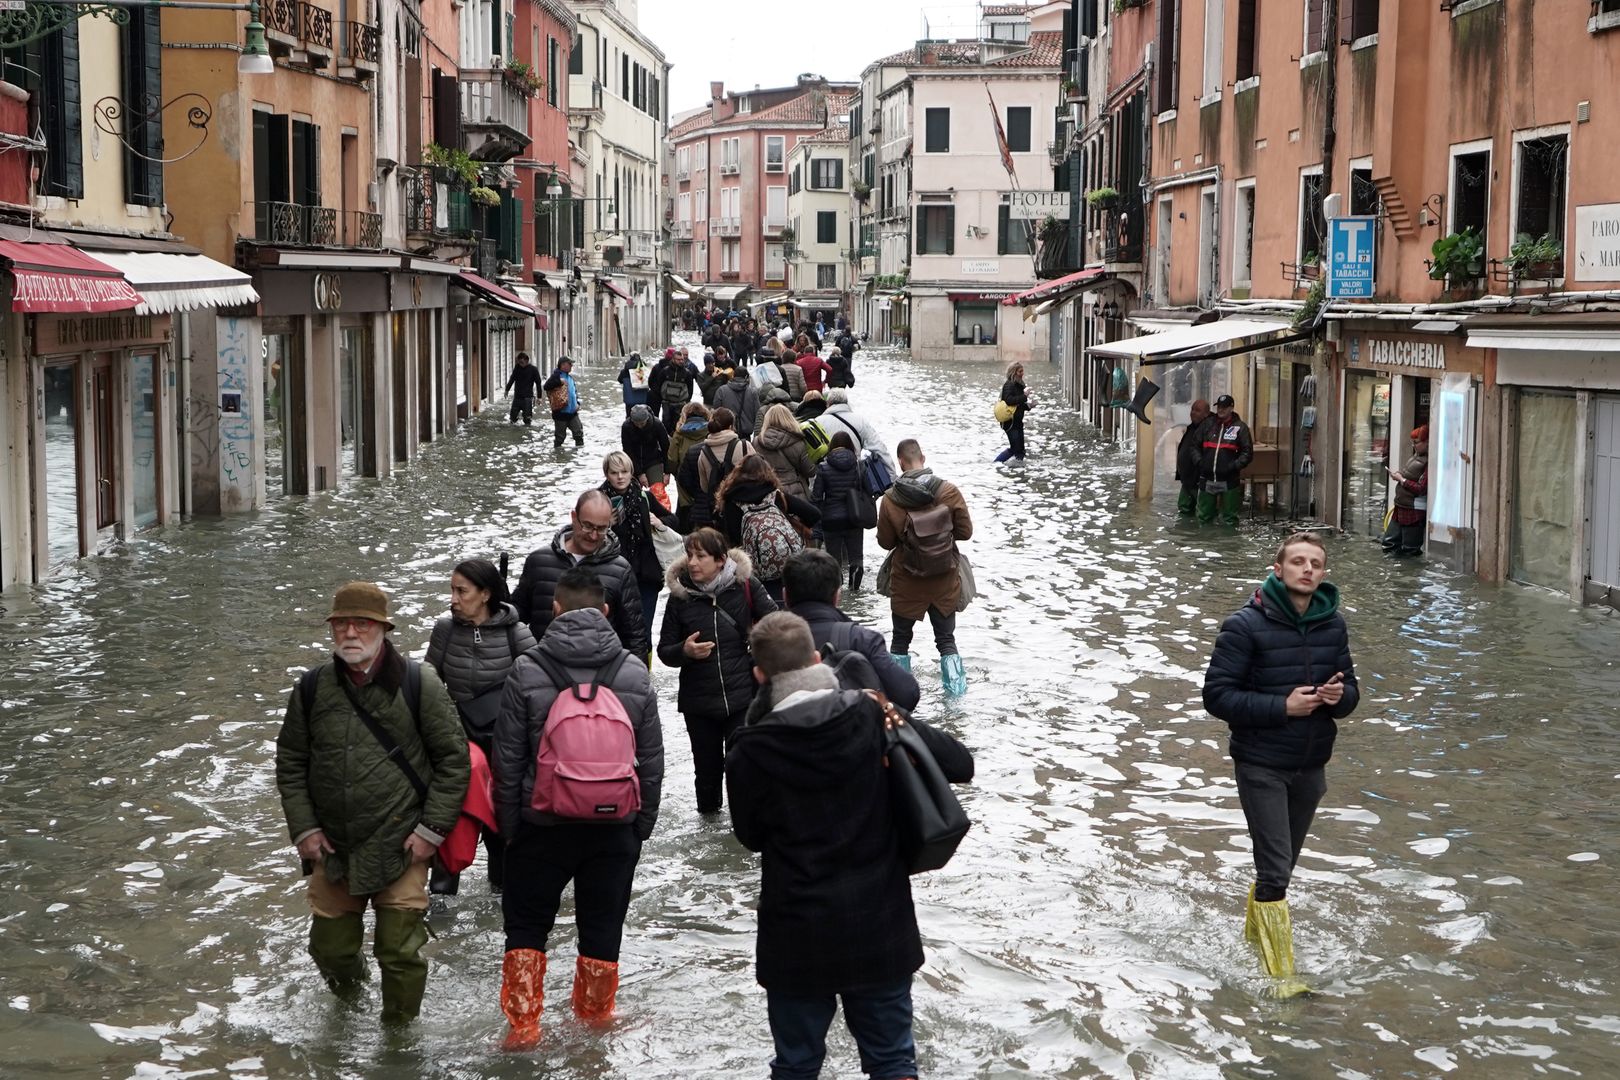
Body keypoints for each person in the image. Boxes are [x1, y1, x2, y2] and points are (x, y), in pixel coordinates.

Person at [725, 612, 972, 1080]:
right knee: (893, 1060)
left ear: (759, 675)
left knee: (796, 1064)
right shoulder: (871, 712)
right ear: (818, 660)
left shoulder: (748, 751)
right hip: (879, 922)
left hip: (796, 930)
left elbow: (751, 838)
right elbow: (959, 763)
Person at [275, 582, 470, 1024]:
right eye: (342, 623)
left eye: (361, 623)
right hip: (334, 847)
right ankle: (352, 1007)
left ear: (383, 629)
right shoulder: (311, 689)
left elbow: (454, 764)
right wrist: (304, 829)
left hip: (403, 844)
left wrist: (429, 833)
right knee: (330, 950)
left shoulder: (421, 684)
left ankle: (398, 1040)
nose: (350, 633)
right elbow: (290, 762)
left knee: (399, 953)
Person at [492, 568, 664, 1048]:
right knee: (603, 929)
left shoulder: (527, 669)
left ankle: (523, 1028)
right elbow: (651, 760)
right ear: (606, 612)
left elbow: (507, 760)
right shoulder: (632, 671)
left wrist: (511, 829)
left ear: (555, 609)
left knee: (526, 927)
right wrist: (638, 829)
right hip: (613, 826)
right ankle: (594, 1022)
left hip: (541, 824)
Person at [1202, 531, 1359, 993]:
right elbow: (1216, 696)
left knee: (1282, 866)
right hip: (1261, 764)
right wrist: (1282, 707)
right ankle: (1281, 978)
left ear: (1324, 574)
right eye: (1298, 562)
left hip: (1311, 766)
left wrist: (1337, 697)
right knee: (1274, 872)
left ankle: (1253, 940)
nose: (1307, 569)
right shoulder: (1243, 626)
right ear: (1278, 570)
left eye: (1315, 563)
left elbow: (1351, 694)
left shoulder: (1335, 626)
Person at [424, 559, 537, 897]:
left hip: (504, 744)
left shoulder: (517, 633)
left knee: (502, 826)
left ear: (485, 594)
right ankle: (440, 901)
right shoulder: (444, 630)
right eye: (452, 590)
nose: (454, 599)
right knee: (448, 819)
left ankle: (500, 894)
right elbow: (429, 678)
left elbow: (536, 687)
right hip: (457, 744)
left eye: (462, 591)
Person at [657, 528, 777, 813]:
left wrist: (757, 637)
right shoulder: (679, 597)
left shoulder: (746, 586)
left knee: (743, 770)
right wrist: (684, 652)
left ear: (721, 560)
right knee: (707, 775)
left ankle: (743, 833)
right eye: (689, 555)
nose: (693, 563)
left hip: (742, 698)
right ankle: (708, 828)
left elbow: (777, 625)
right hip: (699, 703)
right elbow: (664, 651)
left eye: (701, 556)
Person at [877, 439, 973, 696]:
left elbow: (885, 542)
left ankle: (899, 697)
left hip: (907, 581)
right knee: (946, 641)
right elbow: (965, 532)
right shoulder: (949, 491)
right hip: (944, 580)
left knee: (900, 641)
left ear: (900, 462)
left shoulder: (890, 500)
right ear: (923, 457)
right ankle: (956, 700)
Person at [512, 490, 648, 658]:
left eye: (601, 529)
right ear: (574, 517)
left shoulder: (621, 570)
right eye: (588, 526)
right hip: (545, 669)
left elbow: (634, 636)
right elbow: (517, 616)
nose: (593, 535)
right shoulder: (538, 561)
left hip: (599, 674)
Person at [781, 549, 919, 709]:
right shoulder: (862, 639)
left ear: (785, 595)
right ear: (837, 595)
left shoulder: (766, 641)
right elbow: (908, 694)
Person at [715, 455, 821, 604]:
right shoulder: (774, 494)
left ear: (737, 473)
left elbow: (733, 540)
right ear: (767, 472)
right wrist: (793, 523)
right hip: (788, 565)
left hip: (753, 572)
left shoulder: (731, 500)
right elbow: (814, 514)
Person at [601, 449, 679, 629]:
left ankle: (644, 658)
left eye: (624, 472)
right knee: (616, 629)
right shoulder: (598, 499)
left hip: (646, 576)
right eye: (614, 473)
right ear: (607, 474)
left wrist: (659, 522)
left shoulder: (644, 496)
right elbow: (584, 535)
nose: (620, 477)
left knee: (643, 630)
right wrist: (605, 525)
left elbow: (673, 520)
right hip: (612, 577)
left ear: (631, 472)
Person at [811, 431, 867, 591]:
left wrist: (816, 521)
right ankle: (854, 588)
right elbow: (867, 490)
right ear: (850, 446)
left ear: (832, 446)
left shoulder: (823, 466)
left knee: (834, 559)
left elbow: (816, 497)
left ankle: (838, 589)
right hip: (854, 518)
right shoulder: (859, 465)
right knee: (856, 557)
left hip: (831, 519)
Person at [1196, 394, 1253, 526]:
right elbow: (1194, 446)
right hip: (1207, 479)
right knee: (1204, 518)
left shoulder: (1241, 428)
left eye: (1224, 407)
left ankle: (1228, 546)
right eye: (1219, 407)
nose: (1221, 410)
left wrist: (1232, 466)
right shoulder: (1207, 425)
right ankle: (1205, 543)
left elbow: (1247, 453)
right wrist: (1200, 463)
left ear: (1231, 408)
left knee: (1230, 520)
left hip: (1229, 481)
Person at [820, 389, 897, 480]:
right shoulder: (860, 421)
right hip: (855, 478)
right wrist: (892, 478)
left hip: (827, 479)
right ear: (846, 403)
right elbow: (880, 449)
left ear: (828, 404)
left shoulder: (818, 422)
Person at [753, 403, 817, 500]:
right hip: (795, 495)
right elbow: (810, 471)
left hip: (768, 493)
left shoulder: (757, 442)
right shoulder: (797, 442)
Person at [1383, 425, 1429, 556]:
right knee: (1389, 544)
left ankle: (1405, 574)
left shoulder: (1428, 462)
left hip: (1414, 511)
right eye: (1412, 442)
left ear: (1427, 442)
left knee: (1409, 550)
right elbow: (1408, 474)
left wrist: (1402, 480)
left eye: (1416, 442)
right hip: (1401, 506)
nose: (1414, 446)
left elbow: (1421, 488)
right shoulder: (1415, 456)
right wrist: (1399, 475)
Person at [667, 402, 712, 528]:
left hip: (684, 479)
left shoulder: (680, 433)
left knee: (684, 513)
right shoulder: (710, 431)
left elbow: (671, 460)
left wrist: (675, 473)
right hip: (706, 477)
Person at [1175, 399, 1212, 516]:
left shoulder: (1209, 430)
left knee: (1201, 511)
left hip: (1198, 480)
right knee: (1183, 507)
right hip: (1187, 478)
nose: (1193, 412)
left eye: (1197, 410)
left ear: (1206, 414)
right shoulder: (1192, 427)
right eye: (1192, 409)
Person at [621, 404, 671, 489]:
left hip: (653, 460)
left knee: (658, 491)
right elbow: (628, 451)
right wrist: (640, 473)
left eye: (642, 423)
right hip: (633, 461)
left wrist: (667, 472)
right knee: (633, 491)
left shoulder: (657, 424)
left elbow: (666, 448)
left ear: (647, 419)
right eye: (637, 424)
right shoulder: (626, 427)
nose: (640, 426)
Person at [650, 347, 697, 433]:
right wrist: (661, 397)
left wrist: (687, 400)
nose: (681, 361)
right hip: (667, 402)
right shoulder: (665, 371)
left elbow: (690, 388)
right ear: (673, 359)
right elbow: (658, 384)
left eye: (682, 359)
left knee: (678, 423)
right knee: (666, 422)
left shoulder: (687, 373)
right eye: (678, 360)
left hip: (680, 403)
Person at [995, 362, 1033, 463]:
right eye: (1020, 371)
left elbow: (1018, 404)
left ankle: (1019, 469)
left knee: (1021, 450)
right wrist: (1025, 396)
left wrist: (1029, 406)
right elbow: (1009, 401)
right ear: (1014, 372)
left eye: (1022, 371)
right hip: (1010, 423)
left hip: (1017, 421)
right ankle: (996, 463)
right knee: (1015, 448)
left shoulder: (1019, 385)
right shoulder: (1009, 385)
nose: (1022, 373)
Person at [543, 357, 584, 450]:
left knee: (579, 434)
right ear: (563, 365)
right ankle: (557, 456)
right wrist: (559, 381)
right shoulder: (556, 375)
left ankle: (579, 455)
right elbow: (546, 386)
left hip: (573, 413)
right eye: (570, 364)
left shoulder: (570, 378)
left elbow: (574, 393)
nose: (571, 366)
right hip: (560, 414)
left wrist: (577, 403)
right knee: (560, 438)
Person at [715, 365, 761, 441]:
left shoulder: (721, 391)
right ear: (746, 377)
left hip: (726, 434)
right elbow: (757, 413)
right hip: (745, 435)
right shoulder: (753, 392)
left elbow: (716, 412)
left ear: (733, 375)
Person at [505, 353, 542, 426]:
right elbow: (512, 379)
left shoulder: (533, 369)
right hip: (517, 397)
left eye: (522, 362)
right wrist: (507, 390)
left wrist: (539, 397)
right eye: (519, 362)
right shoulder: (517, 368)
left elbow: (538, 383)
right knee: (512, 419)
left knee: (527, 420)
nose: (520, 364)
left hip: (527, 398)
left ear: (527, 361)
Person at [616, 352, 651, 417]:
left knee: (629, 416)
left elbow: (619, 380)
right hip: (642, 399)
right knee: (642, 416)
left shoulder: (624, 371)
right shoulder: (643, 370)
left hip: (629, 399)